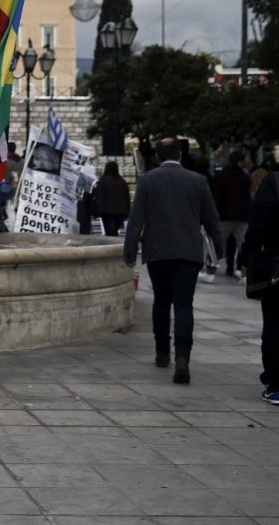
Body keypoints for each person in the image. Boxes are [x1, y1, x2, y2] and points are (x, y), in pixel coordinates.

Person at [124, 137, 225, 385]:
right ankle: (182, 357)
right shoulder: (198, 181)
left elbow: (136, 221)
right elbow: (212, 220)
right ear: (180, 155)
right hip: (188, 252)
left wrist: (129, 253)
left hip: (158, 251)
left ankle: (162, 352)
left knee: (161, 302)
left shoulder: (147, 180)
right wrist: (219, 250)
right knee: (183, 305)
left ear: (157, 157)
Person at [240, 165, 279, 404]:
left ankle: (276, 384)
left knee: (275, 323)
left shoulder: (274, 183)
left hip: (276, 267)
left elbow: (258, 225)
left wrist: (247, 256)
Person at [214, 150, 252, 278]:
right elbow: (248, 196)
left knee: (218, 244)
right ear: (240, 162)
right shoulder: (245, 178)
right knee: (243, 245)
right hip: (242, 216)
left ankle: (212, 269)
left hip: (224, 216)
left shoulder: (220, 176)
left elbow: (217, 197)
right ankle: (242, 269)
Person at [93, 161, 131, 237]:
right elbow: (127, 198)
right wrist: (127, 212)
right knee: (115, 231)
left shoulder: (103, 180)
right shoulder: (122, 181)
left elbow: (101, 197)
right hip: (121, 211)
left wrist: (98, 211)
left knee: (109, 232)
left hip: (107, 212)